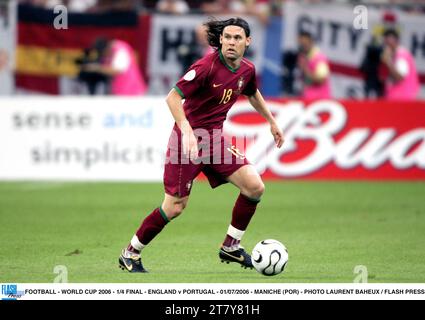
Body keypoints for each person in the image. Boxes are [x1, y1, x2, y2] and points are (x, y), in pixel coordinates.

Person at [118, 17, 284, 273]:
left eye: (237, 38)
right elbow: (173, 97)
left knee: (254, 187)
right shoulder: (206, 66)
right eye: (227, 37)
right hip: (188, 142)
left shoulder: (247, 70)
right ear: (220, 40)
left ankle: (231, 245)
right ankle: (131, 252)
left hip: (214, 140)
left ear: (247, 42)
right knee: (174, 207)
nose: (231, 42)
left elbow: (251, 92)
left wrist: (271, 121)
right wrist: (186, 132)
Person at [81, 38, 147, 96]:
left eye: (104, 53)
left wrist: (96, 68)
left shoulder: (120, 50)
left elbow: (117, 70)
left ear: (107, 48)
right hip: (121, 92)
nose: (104, 55)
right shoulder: (109, 53)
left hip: (132, 92)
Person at [380, 28, 419, 100]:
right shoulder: (394, 55)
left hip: (402, 99)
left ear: (395, 40)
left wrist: (388, 61)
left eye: (388, 41)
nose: (386, 45)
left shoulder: (401, 55)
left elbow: (399, 77)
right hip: (396, 97)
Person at [297, 31, 331, 100]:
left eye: (304, 44)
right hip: (307, 98)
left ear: (311, 42)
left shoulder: (319, 58)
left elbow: (321, 79)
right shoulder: (302, 57)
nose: (302, 46)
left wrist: (305, 69)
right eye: (301, 44)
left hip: (320, 101)